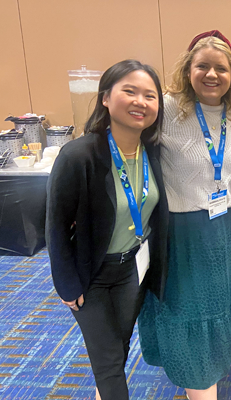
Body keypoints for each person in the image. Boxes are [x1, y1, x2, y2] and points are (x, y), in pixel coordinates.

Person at [137, 30, 231, 400]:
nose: (211, 74)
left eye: (221, 68)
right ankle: (197, 378)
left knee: (216, 305)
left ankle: (203, 373)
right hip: (179, 231)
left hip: (218, 230)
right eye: (202, 66)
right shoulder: (167, 109)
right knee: (186, 306)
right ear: (188, 69)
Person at [46, 59, 168, 400]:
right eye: (129, 91)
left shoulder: (154, 152)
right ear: (105, 98)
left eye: (150, 95)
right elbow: (54, 227)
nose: (140, 102)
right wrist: (67, 285)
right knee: (110, 364)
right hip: (91, 276)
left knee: (120, 346)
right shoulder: (78, 156)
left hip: (133, 269)